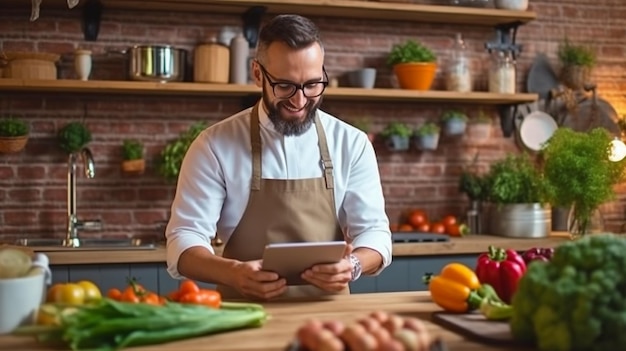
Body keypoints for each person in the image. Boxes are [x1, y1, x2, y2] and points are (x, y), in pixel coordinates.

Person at [165, 14, 392, 301]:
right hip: (244, 317)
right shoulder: (213, 146)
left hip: (332, 322)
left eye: (312, 85)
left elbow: (375, 232)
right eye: (285, 86)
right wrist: (233, 272)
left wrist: (354, 265)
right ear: (258, 74)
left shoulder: (352, 143)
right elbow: (183, 240)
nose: (299, 101)